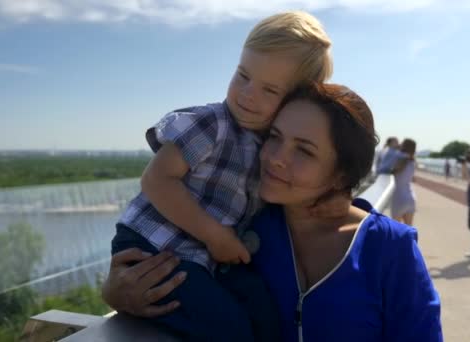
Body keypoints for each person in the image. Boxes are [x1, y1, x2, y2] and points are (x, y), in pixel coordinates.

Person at [104, 83, 443, 341]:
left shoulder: (388, 249)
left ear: (341, 174)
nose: (275, 157)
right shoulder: (242, 231)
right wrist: (117, 296)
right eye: (274, 137)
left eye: (304, 151)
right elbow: (188, 295)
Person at [111, 11, 333, 340]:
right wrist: (215, 235)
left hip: (207, 258)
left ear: (295, 100)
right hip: (155, 247)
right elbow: (156, 180)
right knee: (227, 328)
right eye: (243, 75)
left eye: (270, 90)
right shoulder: (212, 124)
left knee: (267, 317)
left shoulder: (268, 147)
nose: (248, 94)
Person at [390, 138, 417, 225]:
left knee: (395, 230)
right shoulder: (413, 162)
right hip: (410, 197)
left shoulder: (400, 159)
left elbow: (392, 171)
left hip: (399, 197)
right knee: (409, 231)